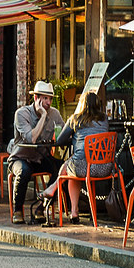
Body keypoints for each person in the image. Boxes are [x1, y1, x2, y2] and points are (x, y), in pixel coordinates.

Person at [38, 91, 111, 225]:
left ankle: (56, 193)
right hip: (105, 168)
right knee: (72, 165)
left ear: (81, 104)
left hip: (85, 168)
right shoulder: (104, 119)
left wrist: (74, 137)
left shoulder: (75, 119)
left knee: (68, 166)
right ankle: (73, 212)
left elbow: (59, 141)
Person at [7, 80, 64, 224]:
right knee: (24, 171)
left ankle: (42, 207)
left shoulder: (55, 114)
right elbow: (31, 138)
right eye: (45, 98)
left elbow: (63, 133)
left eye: (50, 98)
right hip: (20, 157)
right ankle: (18, 210)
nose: (48, 102)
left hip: (39, 157)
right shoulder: (21, 114)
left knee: (62, 169)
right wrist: (43, 116)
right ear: (36, 98)